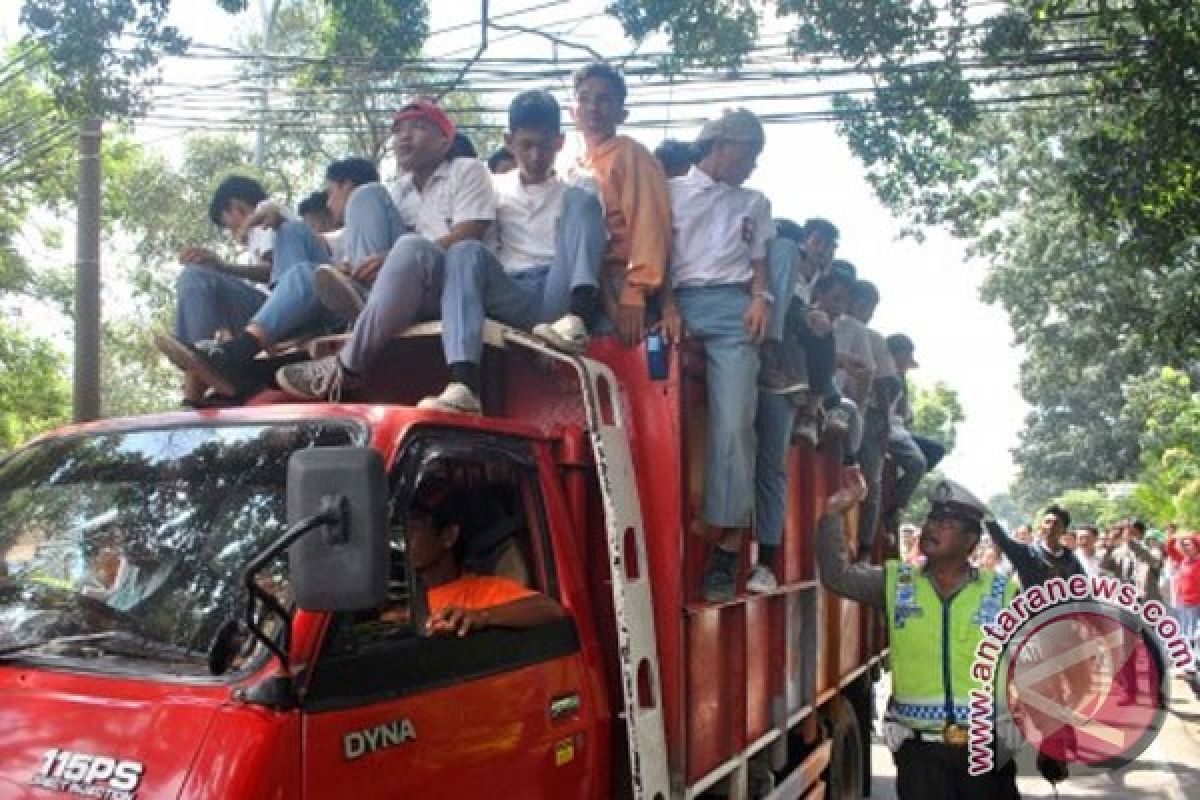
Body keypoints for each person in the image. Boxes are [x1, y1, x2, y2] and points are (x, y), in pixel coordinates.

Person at [275, 100, 496, 400]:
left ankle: (347, 360)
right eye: (398, 130)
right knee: (366, 195)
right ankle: (366, 296)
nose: (404, 137)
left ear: (446, 141)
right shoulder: (397, 192)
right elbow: (338, 239)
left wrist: (393, 258)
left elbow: (470, 231)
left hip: (453, 287)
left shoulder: (467, 170)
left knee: (410, 247)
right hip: (402, 287)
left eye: (418, 128)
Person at [817, 478, 1019, 799]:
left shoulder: (1002, 592)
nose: (932, 528)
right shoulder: (897, 582)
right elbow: (837, 576)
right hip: (919, 757)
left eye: (946, 523)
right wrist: (833, 513)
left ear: (970, 540)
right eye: (932, 519)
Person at [417, 89, 607, 414]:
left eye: (545, 146)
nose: (535, 155)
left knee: (583, 199)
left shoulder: (575, 188)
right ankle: (464, 384)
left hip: (556, 291)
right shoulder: (491, 186)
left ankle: (579, 318)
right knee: (464, 251)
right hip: (511, 291)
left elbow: (591, 243)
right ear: (508, 141)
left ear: (560, 143)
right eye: (526, 145)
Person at [156, 158, 402, 399]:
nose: (327, 203)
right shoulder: (336, 236)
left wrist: (263, 224)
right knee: (195, 276)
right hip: (281, 305)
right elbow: (307, 236)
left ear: (347, 186)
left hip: (324, 308)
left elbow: (278, 221)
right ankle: (200, 372)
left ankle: (231, 356)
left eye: (330, 193)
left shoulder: (366, 211)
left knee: (303, 267)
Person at [664, 108, 780, 602]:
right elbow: (658, 258)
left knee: (734, 424)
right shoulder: (670, 192)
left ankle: (728, 543)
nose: (752, 166)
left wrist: (761, 300)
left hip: (734, 307)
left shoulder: (754, 201)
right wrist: (667, 306)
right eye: (749, 154)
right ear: (721, 145)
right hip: (682, 301)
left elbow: (759, 267)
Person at [570, 61, 671, 346]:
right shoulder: (574, 165)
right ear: (573, 110)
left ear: (621, 112)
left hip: (621, 282)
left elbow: (649, 225)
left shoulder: (630, 154)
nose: (593, 107)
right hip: (584, 281)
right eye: (585, 98)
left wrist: (634, 293)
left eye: (604, 99)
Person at [407, 481, 565, 636]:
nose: (402, 542)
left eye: (412, 529)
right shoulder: (394, 596)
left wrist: (482, 616)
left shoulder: (481, 591)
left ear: (449, 536)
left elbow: (550, 609)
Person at [849, 279, 899, 557]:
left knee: (869, 481)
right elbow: (887, 385)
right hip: (855, 411)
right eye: (866, 304)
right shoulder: (841, 327)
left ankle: (866, 543)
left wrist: (885, 425)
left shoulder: (873, 338)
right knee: (866, 481)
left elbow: (885, 385)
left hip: (867, 414)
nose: (867, 310)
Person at [883, 333, 939, 524]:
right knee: (918, 464)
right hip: (890, 432)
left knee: (935, 450)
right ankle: (895, 506)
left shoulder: (900, 379)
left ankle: (897, 490)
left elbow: (905, 415)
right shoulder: (887, 376)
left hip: (900, 431)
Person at [988, 504, 1084, 589]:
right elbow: (1002, 540)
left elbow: (1083, 589)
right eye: (1047, 522)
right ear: (1040, 526)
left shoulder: (1072, 561)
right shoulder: (1026, 553)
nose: (1050, 526)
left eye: (1056, 523)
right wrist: (988, 519)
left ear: (1064, 531)